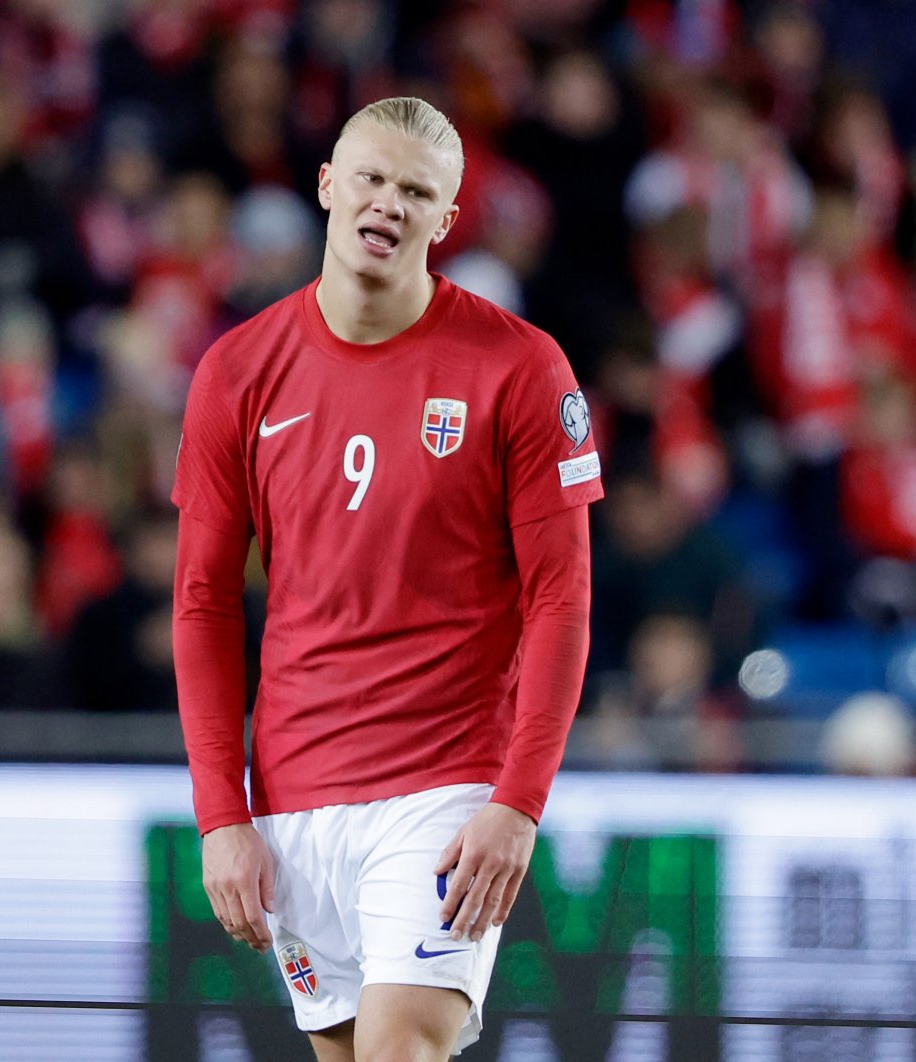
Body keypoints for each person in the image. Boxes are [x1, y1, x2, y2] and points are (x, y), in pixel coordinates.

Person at [172, 97, 602, 1061]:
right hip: (294, 797)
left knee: (401, 1048)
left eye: (418, 191)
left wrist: (517, 801)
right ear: (327, 186)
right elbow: (203, 604)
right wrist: (219, 816)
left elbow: (562, 599)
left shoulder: (520, 369)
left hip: (442, 788)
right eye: (371, 178)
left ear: (446, 219)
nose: (389, 204)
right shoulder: (238, 373)